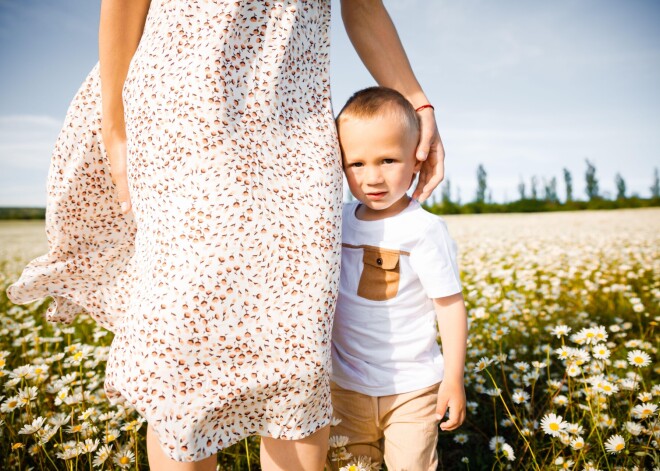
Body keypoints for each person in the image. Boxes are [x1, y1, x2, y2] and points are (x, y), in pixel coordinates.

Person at [7, 1, 446, 470]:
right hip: (186, 114)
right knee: (186, 346)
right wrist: (115, 127)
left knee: (297, 348)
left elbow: (362, 5)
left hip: (295, 122)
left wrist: (416, 102)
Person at [328, 87, 468, 470]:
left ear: (417, 160)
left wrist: (453, 378)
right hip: (345, 386)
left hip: (413, 388)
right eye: (356, 164)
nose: (372, 177)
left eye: (388, 160)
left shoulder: (423, 230)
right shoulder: (335, 219)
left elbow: (450, 307)